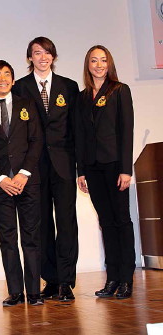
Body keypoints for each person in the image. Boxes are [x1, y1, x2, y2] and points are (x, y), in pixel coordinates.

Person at [12, 37, 80, 301]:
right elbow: (18, 133)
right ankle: (50, 279)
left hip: (63, 164)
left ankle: (66, 281)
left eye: (47, 52)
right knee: (39, 225)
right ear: (29, 57)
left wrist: (81, 168)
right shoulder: (20, 88)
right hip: (34, 168)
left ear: (54, 56)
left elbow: (77, 131)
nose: (43, 57)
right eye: (37, 53)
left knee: (66, 223)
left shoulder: (69, 87)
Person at [75, 45, 135, 299]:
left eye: (103, 60)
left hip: (114, 166)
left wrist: (125, 169)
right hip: (92, 167)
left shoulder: (120, 90)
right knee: (106, 222)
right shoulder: (82, 96)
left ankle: (126, 279)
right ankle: (112, 278)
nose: (99, 65)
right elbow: (79, 135)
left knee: (121, 220)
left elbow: (126, 130)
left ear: (109, 64)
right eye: (93, 60)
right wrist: (81, 170)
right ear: (87, 65)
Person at [0, 60, 43, 307]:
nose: (3, 78)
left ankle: (34, 291)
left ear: (14, 80)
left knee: (31, 237)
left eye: (7, 74)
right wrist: (0, 179)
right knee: (7, 238)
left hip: (28, 182)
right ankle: (15, 291)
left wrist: (23, 173)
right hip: (1, 186)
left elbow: (36, 141)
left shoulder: (27, 105)